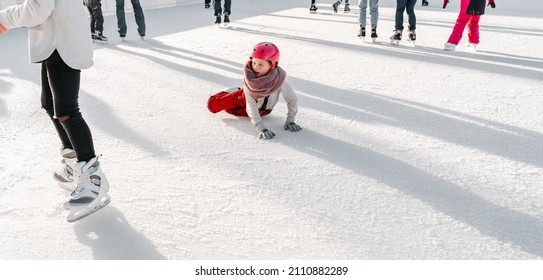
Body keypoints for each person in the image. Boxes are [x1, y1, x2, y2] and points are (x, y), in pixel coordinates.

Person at [0, 0, 110, 219]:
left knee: (67, 110)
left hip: (63, 41)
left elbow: (39, 8)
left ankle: (93, 179)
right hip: (56, 40)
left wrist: (4, 19)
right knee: (49, 104)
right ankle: (74, 163)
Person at [207, 42, 301, 140]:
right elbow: (251, 106)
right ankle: (230, 91)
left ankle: (234, 92)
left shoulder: (279, 80)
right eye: (254, 63)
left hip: (263, 111)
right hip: (243, 99)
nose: (255, 67)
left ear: (272, 65)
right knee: (212, 105)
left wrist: (291, 120)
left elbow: (292, 100)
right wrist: (261, 128)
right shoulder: (249, 80)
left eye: (261, 64)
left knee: (230, 110)